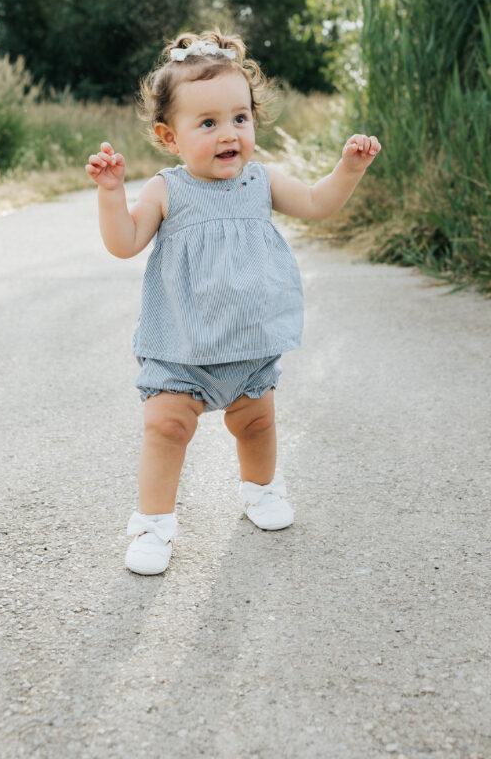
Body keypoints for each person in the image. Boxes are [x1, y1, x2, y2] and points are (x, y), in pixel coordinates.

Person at [85, 30, 381, 575]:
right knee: (166, 429)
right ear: (168, 136)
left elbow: (317, 204)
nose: (229, 134)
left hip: (248, 343)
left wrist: (350, 170)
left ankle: (262, 490)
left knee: (257, 425)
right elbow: (123, 243)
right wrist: (112, 195)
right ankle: (153, 525)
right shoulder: (166, 190)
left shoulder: (261, 181)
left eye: (239, 118)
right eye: (208, 123)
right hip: (181, 347)